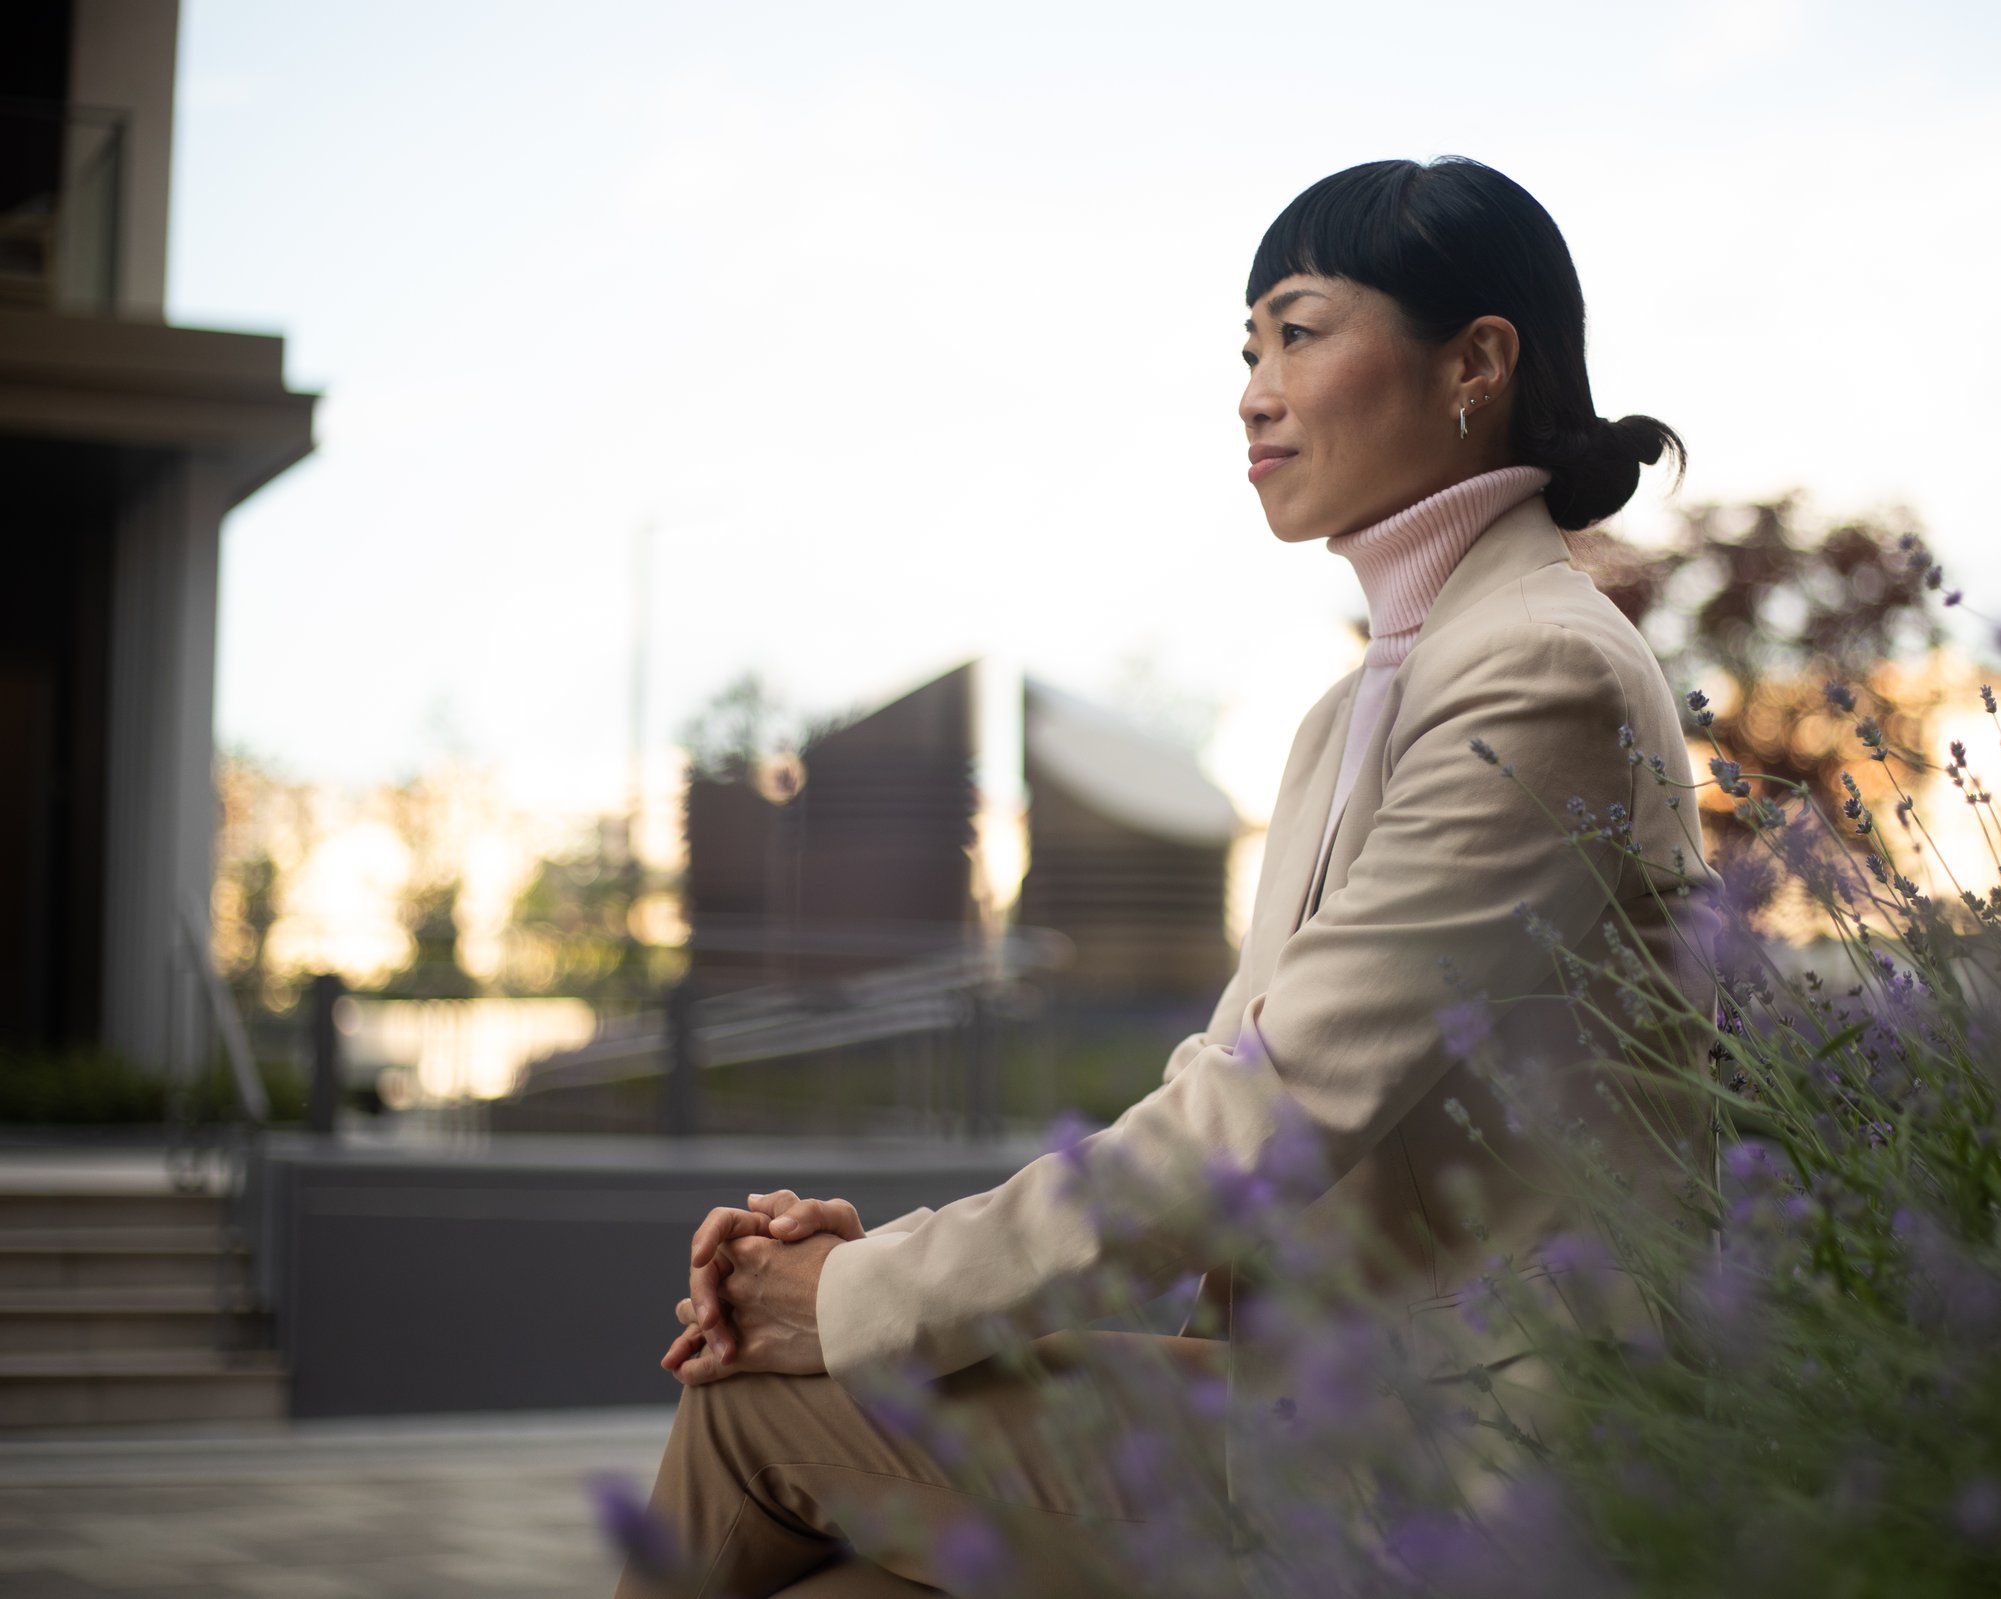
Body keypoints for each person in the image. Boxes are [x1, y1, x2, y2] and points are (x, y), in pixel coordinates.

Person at [619, 155, 1716, 1598]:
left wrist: (851, 1300)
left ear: (1478, 363)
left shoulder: (1541, 672)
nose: (1256, 390)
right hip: (1296, 1403)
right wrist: (868, 1270)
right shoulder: (1360, 705)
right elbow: (1235, 1063)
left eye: (1302, 332)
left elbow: (1265, 1118)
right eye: (1249, 349)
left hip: (1459, 1447)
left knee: (757, 1407)